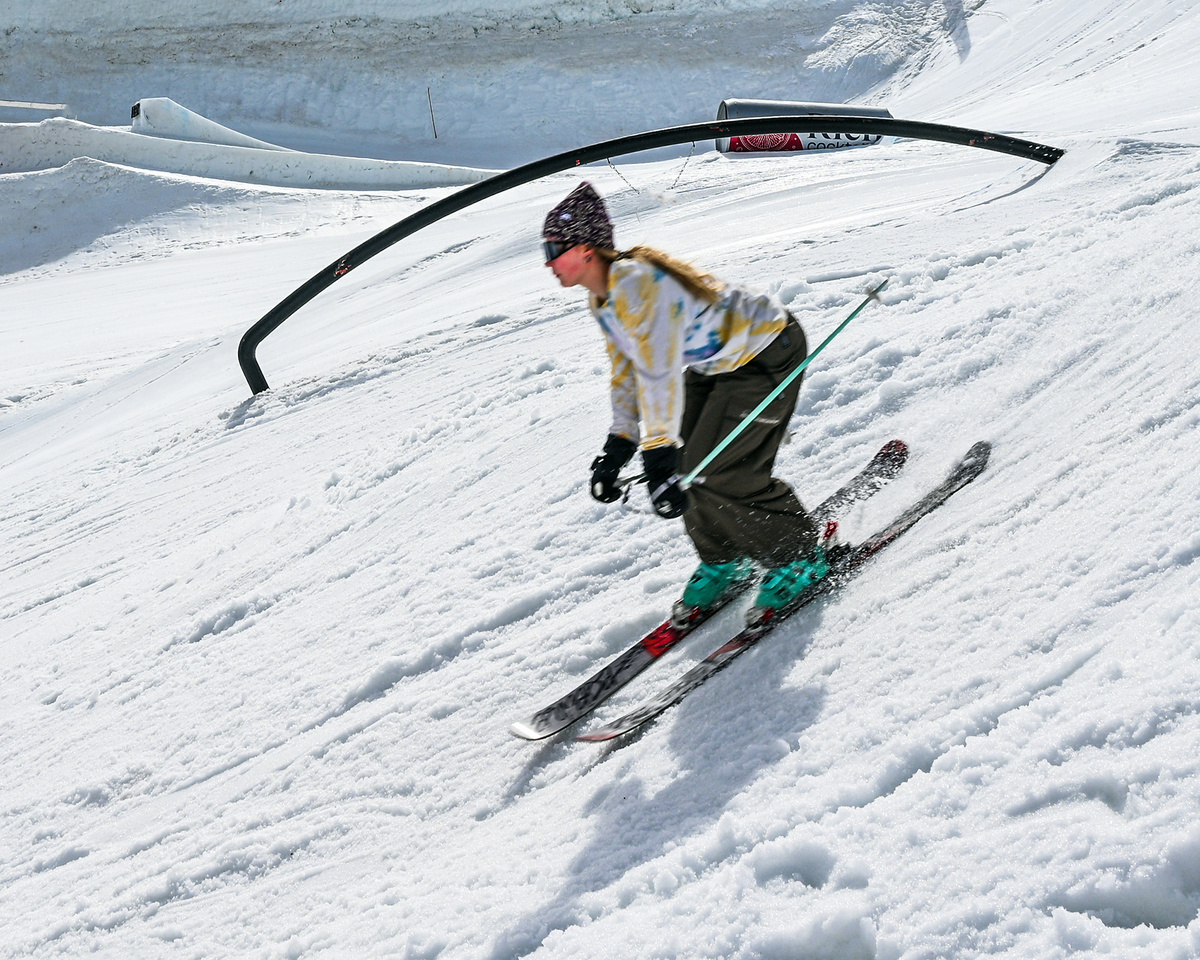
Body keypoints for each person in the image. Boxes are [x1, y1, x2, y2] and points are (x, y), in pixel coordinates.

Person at [542, 181, 829, 624]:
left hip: (766, 349)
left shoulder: (636, 283)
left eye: (553, 249)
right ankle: (726, 557)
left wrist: (657, 450)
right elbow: (626, 372)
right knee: (688, 470)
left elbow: (657, 370)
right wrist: (619, 444)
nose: (548, 262)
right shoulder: (602, 300)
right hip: (718, 365)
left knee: (723, 469)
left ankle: (799, 557)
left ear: (585, 249)